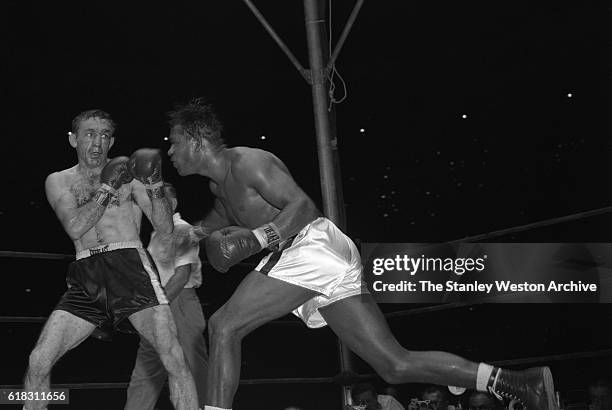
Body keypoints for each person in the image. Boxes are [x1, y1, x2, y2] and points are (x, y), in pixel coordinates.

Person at [166, 98, 558, 410]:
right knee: (394, 364)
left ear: (195, 140)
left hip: (310, 245)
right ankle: (515, 383)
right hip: (319, 259)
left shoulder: (249, 162)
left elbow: (303, 207)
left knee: (223, 326)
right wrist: (172, 219)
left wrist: (256, 238)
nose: (170, 151)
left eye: (174, 141)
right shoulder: (221, 191)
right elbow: (209, 228)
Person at [23, 109, 198, 410]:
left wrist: (155, 186)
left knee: (173, 357)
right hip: (86, 273)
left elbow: (165, 228)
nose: (98, 141)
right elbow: (76, 226)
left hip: (129, 266)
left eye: (105, 135)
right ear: (72, 139)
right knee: (38, 360)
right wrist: (107, 188)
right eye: (89, 133)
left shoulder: (130, 177)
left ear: (112, 141)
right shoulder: (58, 181)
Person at [125, 182, 208, 409]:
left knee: (191, 370)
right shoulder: (157, 234)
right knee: (145, 373)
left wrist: (156, 305)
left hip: (180, 303)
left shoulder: (182, 230)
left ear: (171, 203)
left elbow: (182, 276)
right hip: (160, 303)